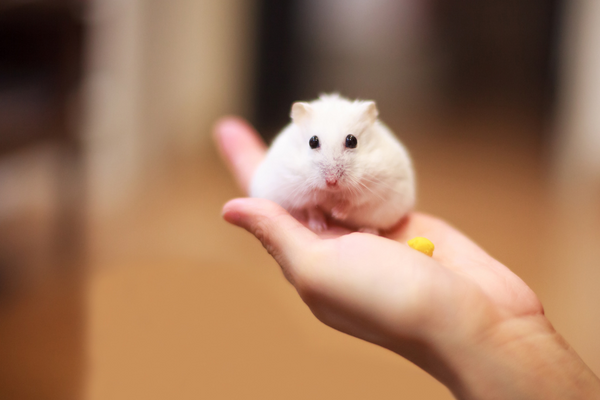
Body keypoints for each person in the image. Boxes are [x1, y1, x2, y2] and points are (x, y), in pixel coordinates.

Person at [213, 117, 600, 400]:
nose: (332, 173)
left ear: (366, 131)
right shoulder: (290, 152)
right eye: (315, 146)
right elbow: (277, 182)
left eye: (349, 143)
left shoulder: (382, 154)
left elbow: (393, 196)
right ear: (303, 137)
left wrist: (502, 336)